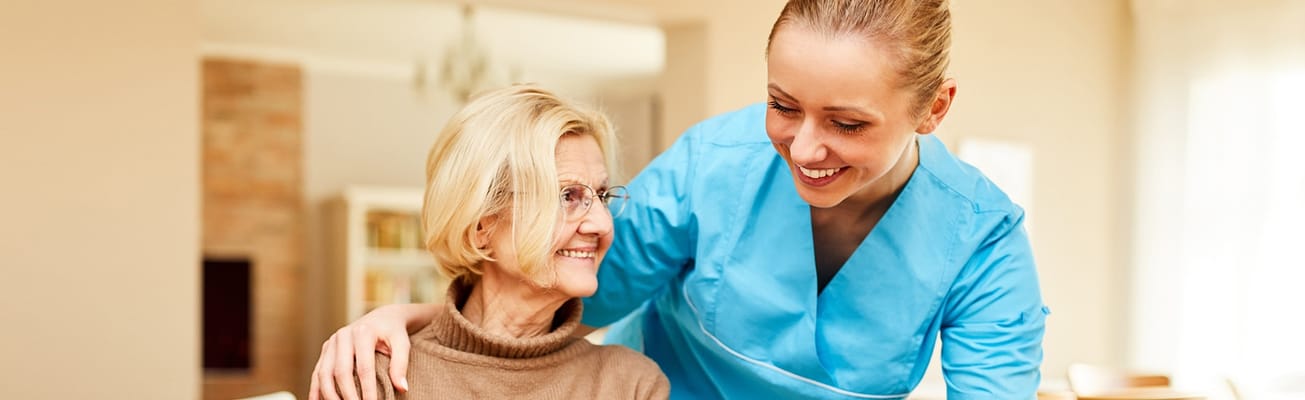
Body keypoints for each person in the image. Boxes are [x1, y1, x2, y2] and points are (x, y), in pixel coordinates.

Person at [312, 0, 1048, 398]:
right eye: (782, 105)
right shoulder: (713, 168)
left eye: (848, 123)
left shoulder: (983, 242)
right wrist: (407, 322)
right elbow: (554, 285)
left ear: (934, 109)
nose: (803, 147)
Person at [313, 84, 669, 399]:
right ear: (481, 227)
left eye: (603, 196)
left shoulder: (630, 384)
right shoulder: (374, 375)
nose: (601, 223)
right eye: (567, 196)